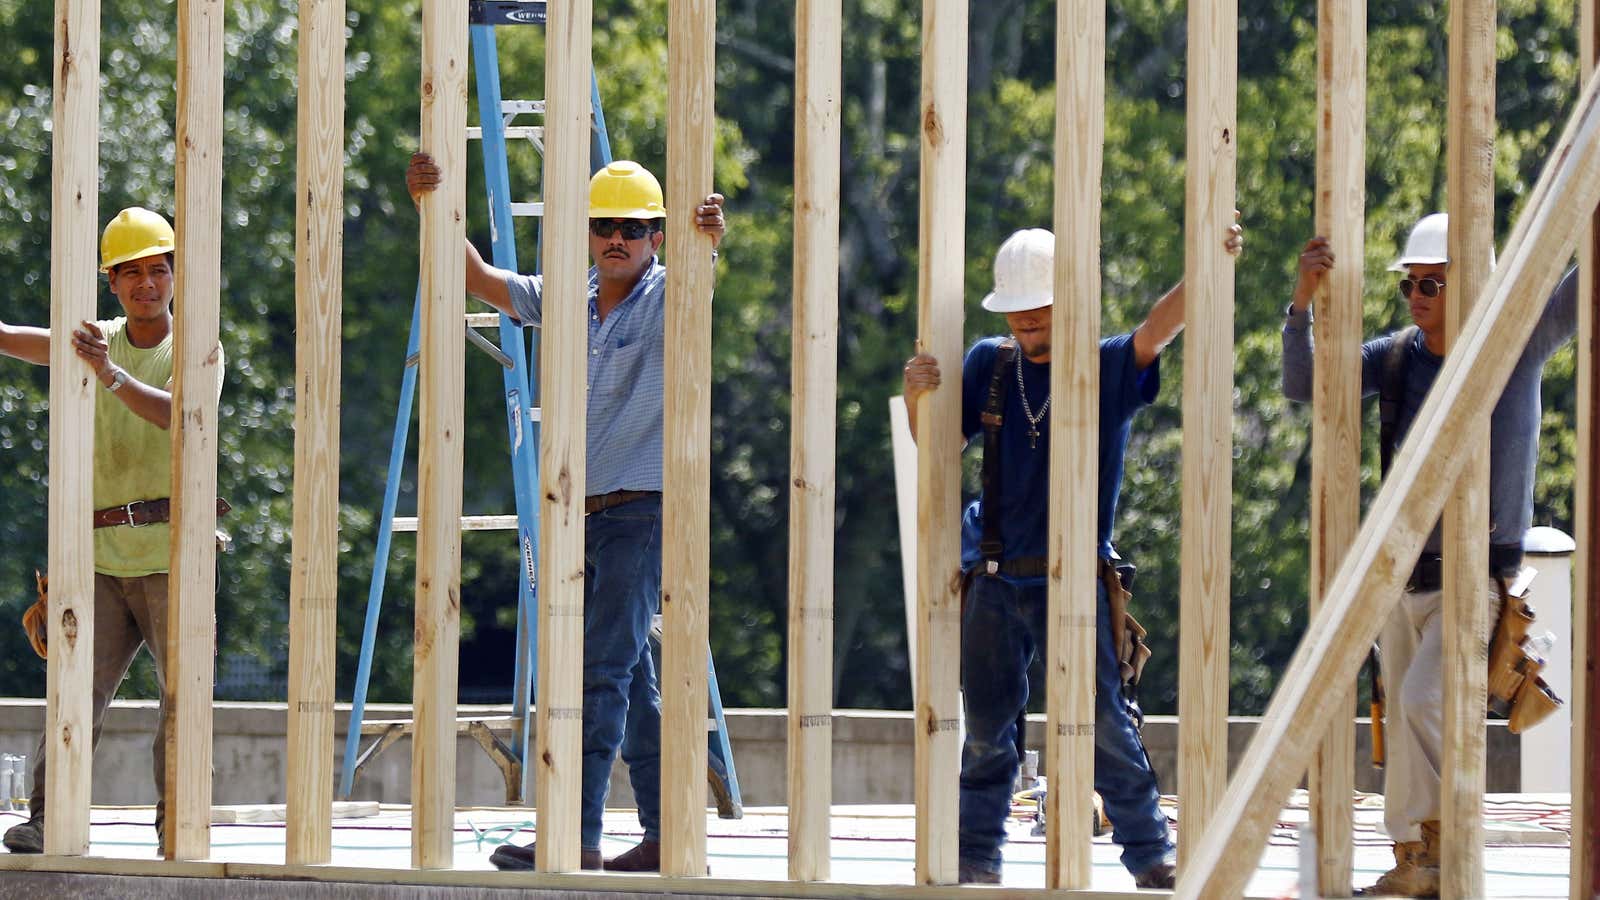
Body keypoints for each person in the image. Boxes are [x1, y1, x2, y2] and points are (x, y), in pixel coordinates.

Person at [405, 153, 724, 872]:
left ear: (656, 237)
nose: (619, 239)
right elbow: (480, 280)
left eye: (635, 228)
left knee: (599, 671)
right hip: (584, 511)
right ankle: (666, 834)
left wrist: (710, 235)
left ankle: (573, 837)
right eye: (605, 226)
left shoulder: (673, 292)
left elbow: (702, 282)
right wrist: (436, 202)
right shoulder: (571, 296)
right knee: (632, 679)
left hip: (644, 509)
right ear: (587, 233)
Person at [902, 222, 1243, 888]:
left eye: (1041, 309)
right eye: (1019, 313)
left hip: (1073, 580)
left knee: (1105, 728)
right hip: (996, 578)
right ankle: (976, 858)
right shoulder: (989, 366)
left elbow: (1159, 328)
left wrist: (1209, 262)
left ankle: (1149, 856)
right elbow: (939, 451)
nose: (1028, 322)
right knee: (986, 733)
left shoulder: (1103, 367)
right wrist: (919, 400)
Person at [1281, 213, 1576, 897]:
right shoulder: (1396, 357)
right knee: (1403, 717)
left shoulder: (1516, 346)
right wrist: (1301, 304)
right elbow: (1306, 384)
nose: (1416, 294)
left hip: (1475, 575)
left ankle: (1452, 845)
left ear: (1471, 285)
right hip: (1401, 573)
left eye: (1433, 283)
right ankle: (1415, 857)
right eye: (1412, 282)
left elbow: (1575, 291)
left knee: (1422, 702)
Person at [0, 207, 226, 854]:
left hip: (171, 555)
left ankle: (177, 826)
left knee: (183, 704)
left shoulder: (198, 345)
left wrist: (109, 374)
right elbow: (31, 341)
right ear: (112, 282)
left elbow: (176, 416)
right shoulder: (99, 338)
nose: (146, 284)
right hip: (100, 558)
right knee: (72, 693)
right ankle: (50, 819)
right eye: (132, 274)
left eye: (158, 270)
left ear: (176, 277)